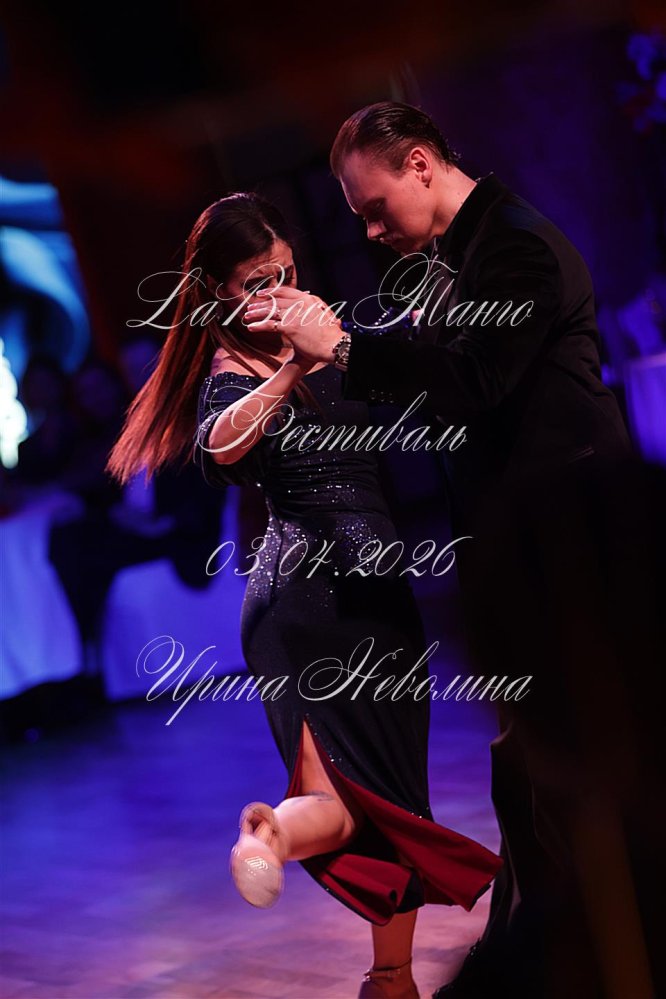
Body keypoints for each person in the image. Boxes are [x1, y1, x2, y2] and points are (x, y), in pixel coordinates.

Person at [248, 103, 653, 998]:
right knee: (535, 773)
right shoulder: (455, 259)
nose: (368, 229)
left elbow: (473, 378)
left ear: (422, 165)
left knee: (575, 768)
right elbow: (428, 366)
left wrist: (342, 347)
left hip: (579, 551)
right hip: (531, 551)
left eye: (373, 206)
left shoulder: (515, 248)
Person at [106, 191, 502, 999]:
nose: (277, 290)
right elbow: (220, 444)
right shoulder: (232, 369)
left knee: (390, 800)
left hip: (378, 594)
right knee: (342, 791)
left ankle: (382, 968)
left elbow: (403, 367)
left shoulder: (324, 324)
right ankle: (275, 840)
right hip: (307, 599)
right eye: (256, 282)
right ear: (219, 292)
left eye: (284, 271)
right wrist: (293, 366)